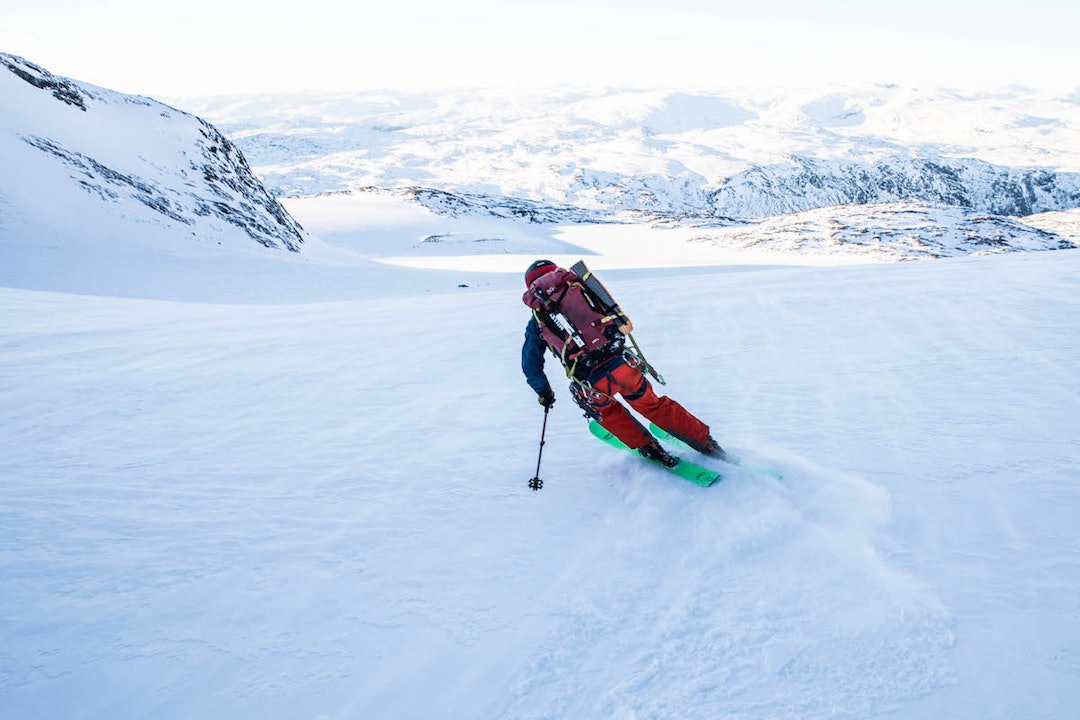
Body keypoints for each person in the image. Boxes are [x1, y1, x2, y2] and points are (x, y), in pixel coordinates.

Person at [520, 259, 725, 467]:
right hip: (622, 364)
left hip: (591, 382)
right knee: (653, 405)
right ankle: (707, 443)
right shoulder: (580, 288)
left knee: (609, 413)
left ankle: (649, 448)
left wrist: (545, 393)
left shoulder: (537, 321)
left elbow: (530, 364)